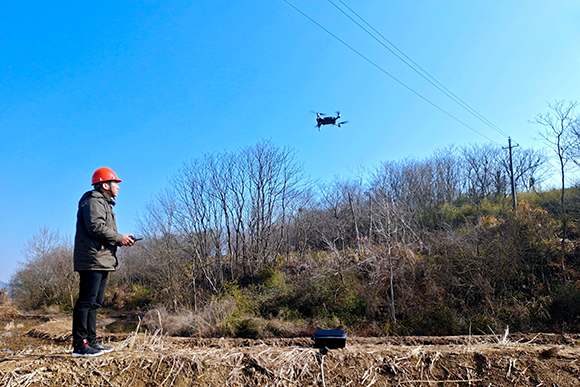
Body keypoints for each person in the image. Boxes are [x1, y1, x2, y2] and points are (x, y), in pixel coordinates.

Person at [72, 167, 135, 357]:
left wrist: (120, 240)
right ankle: (80, 345)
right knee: (86, 301)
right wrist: (118, 238)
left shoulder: (105, 203)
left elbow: (101, 231)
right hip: (93, 259)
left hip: (102, 259)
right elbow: (96, 227)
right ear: (105, 185)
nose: (119, 187)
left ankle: (91, 341)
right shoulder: (93, 201)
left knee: (95, 302)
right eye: (116, 183)